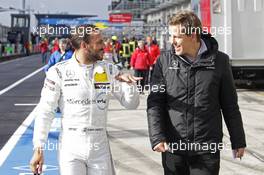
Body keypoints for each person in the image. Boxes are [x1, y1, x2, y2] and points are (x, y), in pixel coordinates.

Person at [30, 25, 141, 175]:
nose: (104, 46)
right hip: (71, 147)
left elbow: (131, 104)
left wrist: (130, 85)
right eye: (99, 42)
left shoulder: (108, 70)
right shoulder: (58, 72)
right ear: (84, 45)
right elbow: (45, 111)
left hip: (99, 146)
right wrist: (38, 148)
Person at [147, 10, 246, 175]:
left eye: (177, 36)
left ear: (193, 35)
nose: (172, 41)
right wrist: (157, 136)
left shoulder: (220, 61)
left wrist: (238, 140)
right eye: (171, 36)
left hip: (206, 149)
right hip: (174, 147)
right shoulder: (163, 62)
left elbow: (230, 105)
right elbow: (155, 103)